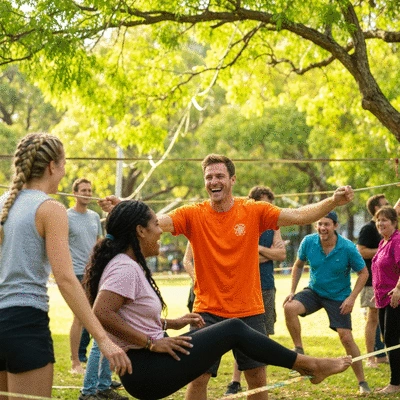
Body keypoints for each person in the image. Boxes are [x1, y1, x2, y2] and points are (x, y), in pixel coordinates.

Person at [99, 153, 354, 400]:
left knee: (256, 378)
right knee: (198, 377)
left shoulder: (254, 210)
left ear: (232, 180)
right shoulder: (192, 214)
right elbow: (154, 222)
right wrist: (124, 207)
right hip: (207, 311)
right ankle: (308, 365)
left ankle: (307, 366)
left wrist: (332, 201)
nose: (214, 182)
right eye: (209, 177)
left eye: (220, 176)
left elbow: (299, 215)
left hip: (249, 309)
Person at [0, 133, 131, 400]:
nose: (64, 171)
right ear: (51, 166)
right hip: (24, 324)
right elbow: (66, 279)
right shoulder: (51, 209)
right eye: (63, 163)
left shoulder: (3, 204)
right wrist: (103, 339)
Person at [283, 211, 371, 395]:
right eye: (320, 224)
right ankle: (299, 349)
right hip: (314, 291)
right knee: (289, 307)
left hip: (339, 296)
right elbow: (298, 265)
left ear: (335, 226)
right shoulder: (308, 241)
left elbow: (364, 273)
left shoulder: (347, 247)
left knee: (346, 338)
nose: (322, 228)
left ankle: (362, 382)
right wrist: (292, 290)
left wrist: (352, 298)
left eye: (327, 224)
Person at [224, 186, 287, 396]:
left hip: (266, 286)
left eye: (269, 204)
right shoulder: (240, 223)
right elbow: (239, 255)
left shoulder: (273, 226)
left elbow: (281, 254)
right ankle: (235, 381)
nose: (266, 209)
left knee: (262, 337)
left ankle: (259, 384)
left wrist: (257, 249)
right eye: (262, 204)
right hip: (242, 287)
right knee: (240, 334)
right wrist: (265, 253)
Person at [68, 178, 103, 373]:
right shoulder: (66, 216)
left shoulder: (94, 217)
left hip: (93, 272)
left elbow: (98, 244)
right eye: (83, 190)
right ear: (75, 193)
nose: (88, 193)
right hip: (75, 273)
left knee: (96, 315)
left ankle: (92, 360)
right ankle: (75, 363)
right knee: (79, 317)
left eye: (90, 190)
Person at [357, 194, 389, 368]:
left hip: (388, 281)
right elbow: (360, 251)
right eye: (385, 204)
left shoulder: (389, 227)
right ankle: (370, 358)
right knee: (372, 318)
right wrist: (383, 250)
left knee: (387, 318)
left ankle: (383, 354)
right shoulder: (368, 229)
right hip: (371, 281)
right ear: (376, 208)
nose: (389, 205)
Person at [371, 206, 400, 394]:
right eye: (378, 220)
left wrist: (398, 289)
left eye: (385, 220)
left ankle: (395, 384)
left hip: (395, 298)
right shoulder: (384, 242)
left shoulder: (397, 241)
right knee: (387, 338)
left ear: (394, 223)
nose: (381, 223)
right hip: (383, 297)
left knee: (392, 339)